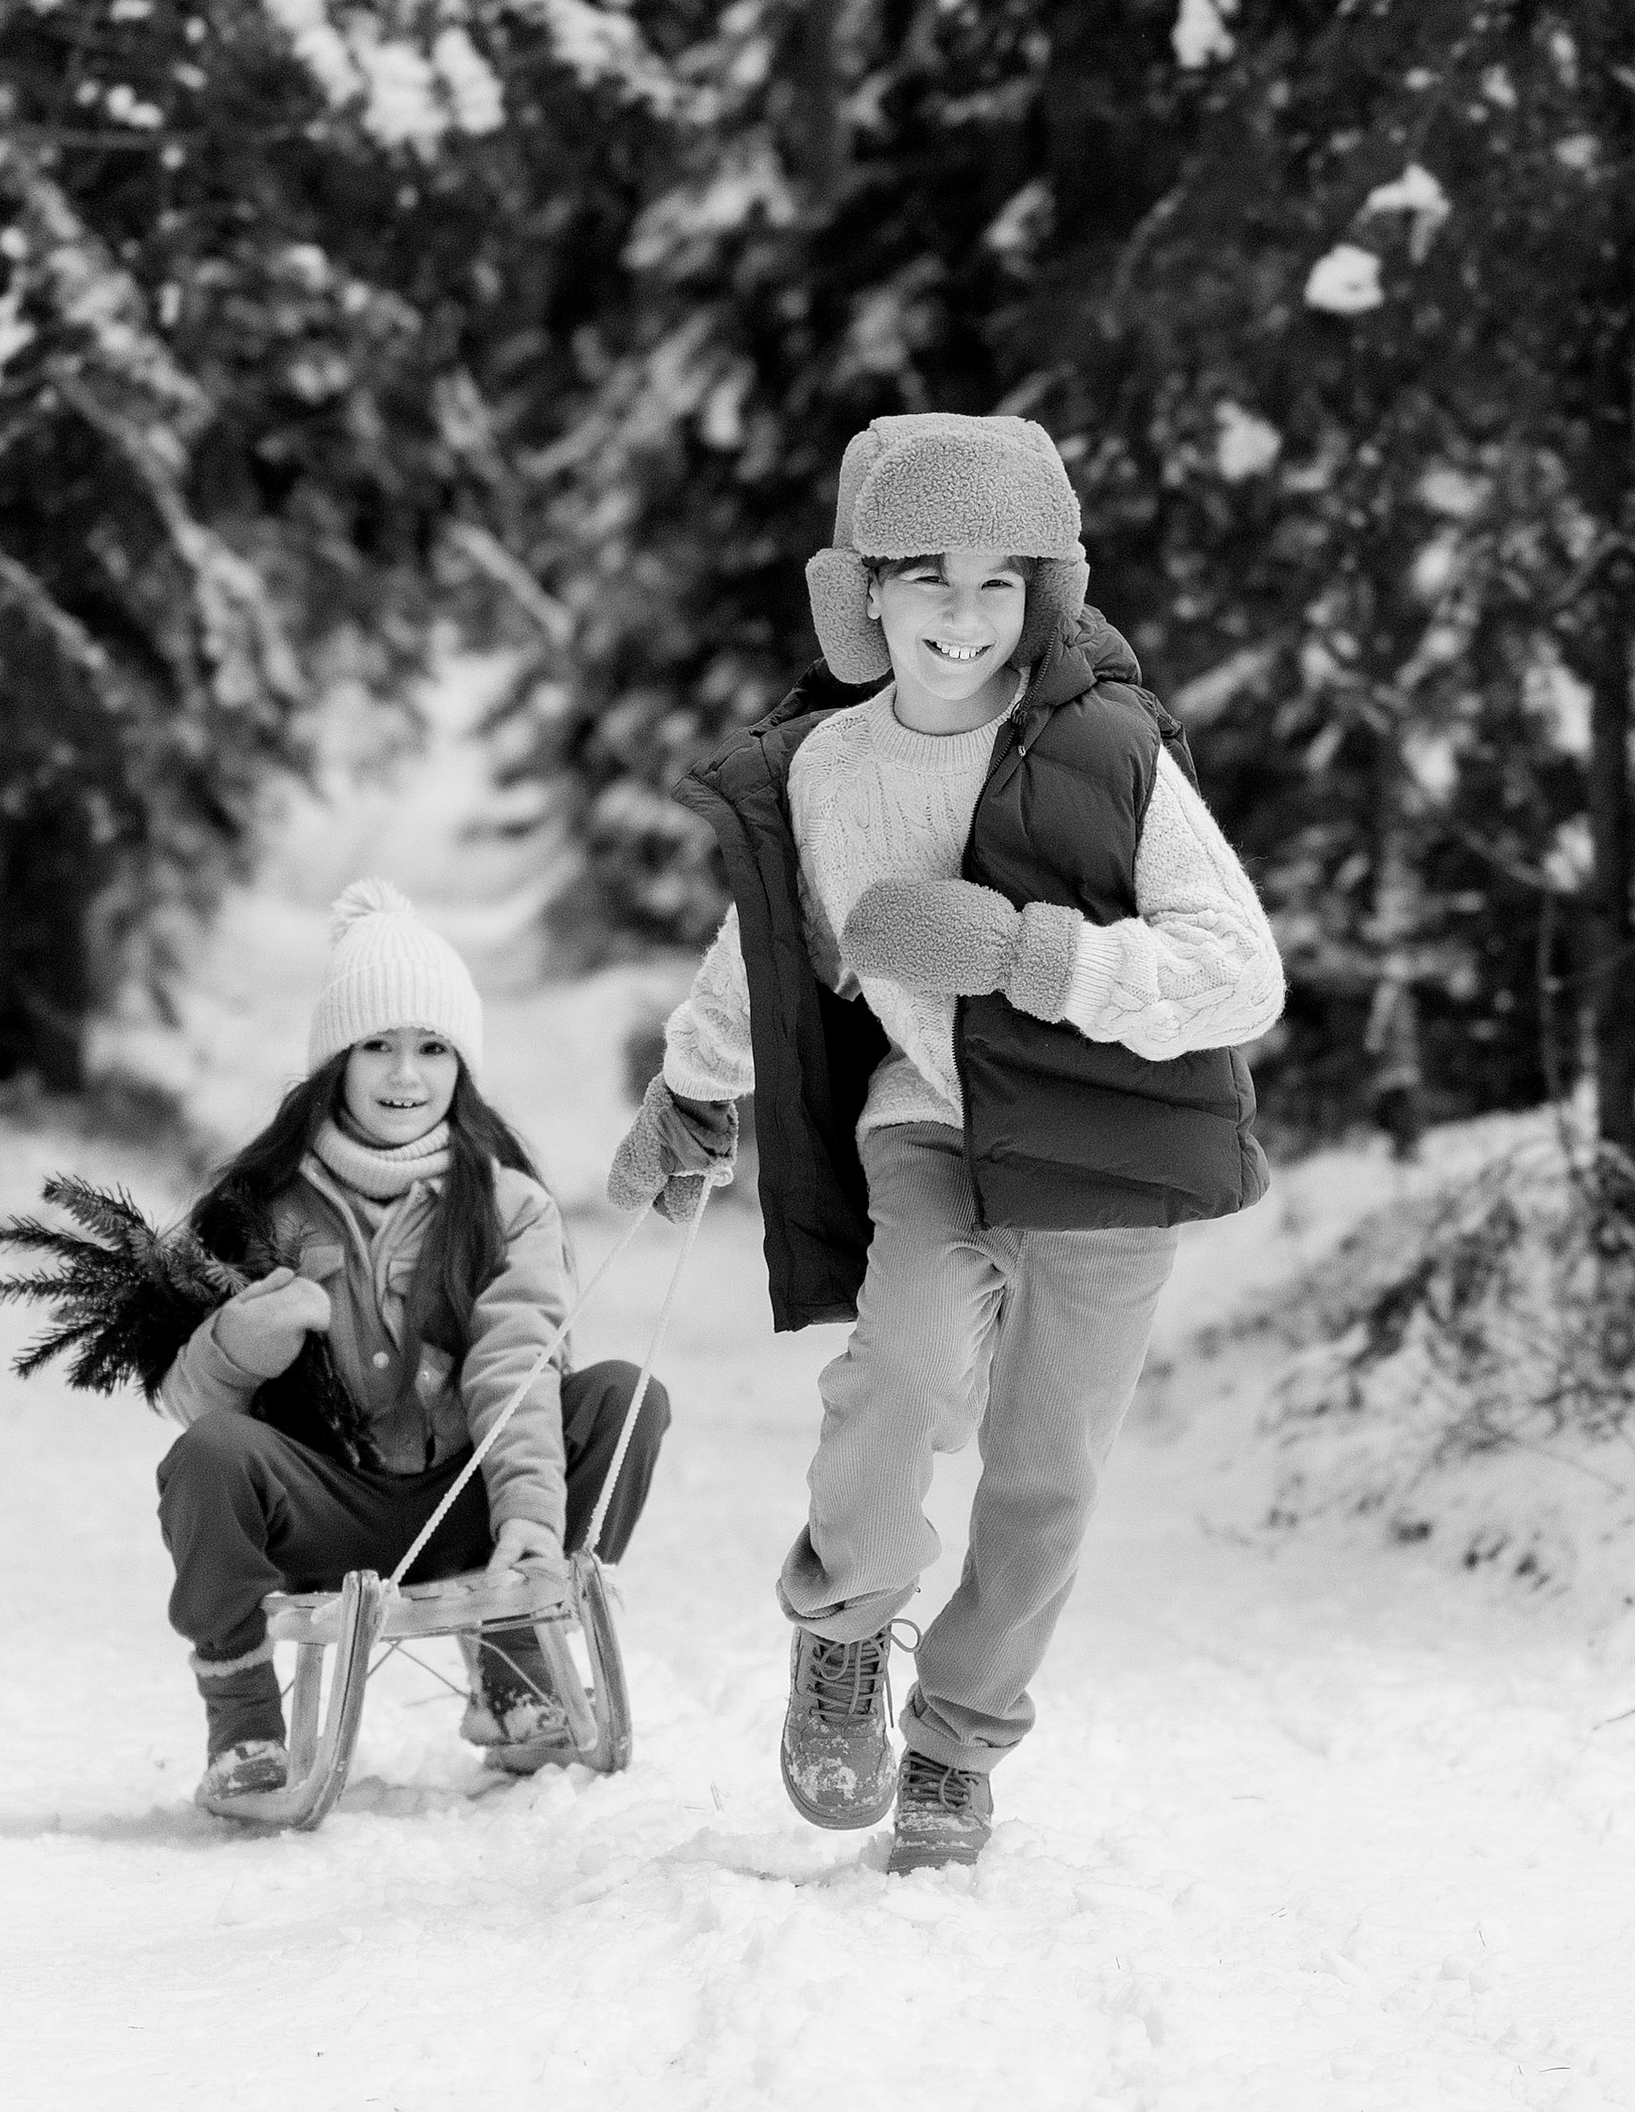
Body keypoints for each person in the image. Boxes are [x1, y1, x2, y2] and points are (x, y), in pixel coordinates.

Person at [610, 409, 1284, 1874]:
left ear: (1044, 588)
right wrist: (693, 1084)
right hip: (923, 1121)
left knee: (1047, 1472)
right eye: (926, 576)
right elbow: (769, 953)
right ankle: (844, 1631)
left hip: (1108, 1157)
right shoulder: (829, 771)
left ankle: (958, 1745)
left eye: (999, 580)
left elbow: (1241, 971)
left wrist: (1039, 957)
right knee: (898, 1373)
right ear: (861, 589)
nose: (963, 616)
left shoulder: (1113, 755)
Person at [157, 881, 668, 1816]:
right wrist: (243, 1338)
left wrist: (525, 1515)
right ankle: (243, 1727)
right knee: (208, 1456)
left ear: (462, 1065)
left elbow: (519, 1368)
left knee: (624, 1398)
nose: (406, 1074)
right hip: (329, 1508)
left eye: (432, 1048)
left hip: (470, 1497)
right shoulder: (261, 1207)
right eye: (378, 1047)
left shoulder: (507, 1205)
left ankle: (518, 1654)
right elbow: (191, 1405)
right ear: (336, 1061)